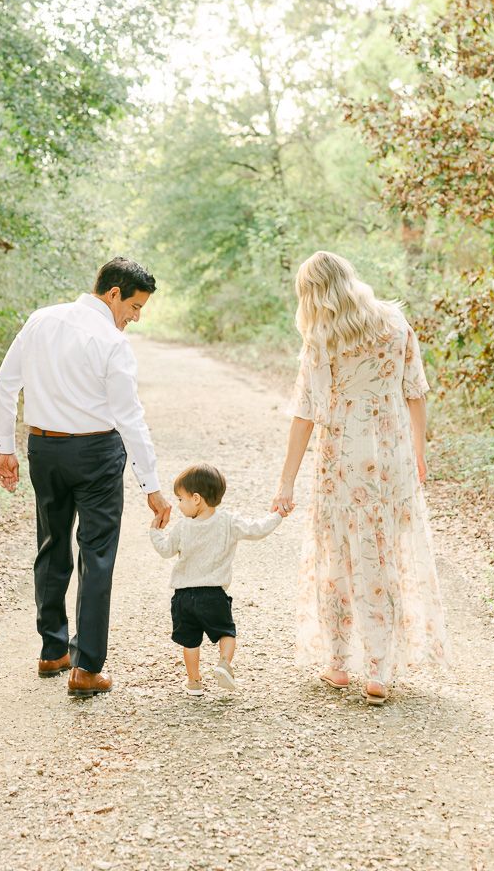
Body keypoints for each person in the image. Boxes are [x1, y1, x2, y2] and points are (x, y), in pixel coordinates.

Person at [272, 251, 448, 705]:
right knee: (381, 554)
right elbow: (416, 394)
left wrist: (286, 481)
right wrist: (418, 454)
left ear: (314, 294)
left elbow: (305, 415)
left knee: (339, 555)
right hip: (391, 455)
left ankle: (337, 664)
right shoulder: (396, 324)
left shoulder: (322, 336)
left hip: (342, 457)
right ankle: (378, 672)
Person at [0, 256, 171, 697]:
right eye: (134, 306)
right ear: (114, 293)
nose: (135, 317)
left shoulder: (41, 320)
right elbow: (130, 418)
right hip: (95, 453)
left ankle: (53, 649)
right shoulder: (111, 341)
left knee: (51, 544)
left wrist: (5, 449)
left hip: (44, 449)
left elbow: (4, 383)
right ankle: (86, 667)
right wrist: (152, 487)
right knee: (97, 555)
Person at [150, 462, 282, 695]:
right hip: (214, 595)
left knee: (190, 642)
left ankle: (194, 683)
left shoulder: (183, 527)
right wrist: (277, 515)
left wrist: (155, 531)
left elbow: (165, 550)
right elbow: (257, 529)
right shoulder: (229, 521)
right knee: (226, 632)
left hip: (184, 596)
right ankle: (224, 663)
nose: (179, 505)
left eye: (181, 499)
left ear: (196, 498)